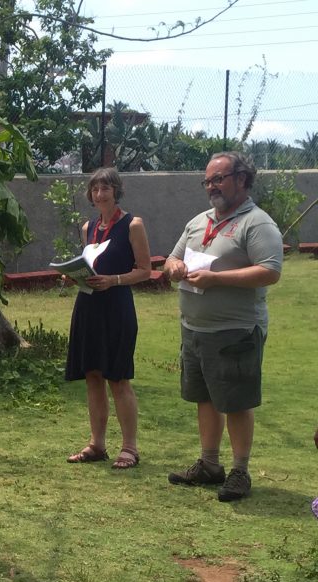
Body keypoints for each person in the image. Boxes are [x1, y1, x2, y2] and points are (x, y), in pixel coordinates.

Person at [163, 151, 282, 502]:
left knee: (236, 401)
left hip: (235, 331)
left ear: (242, 179)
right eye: (208, 180)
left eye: (219, 179)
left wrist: (217, 280)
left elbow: (270, 271)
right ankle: (209, 465)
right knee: (206, 398)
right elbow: (173, 257)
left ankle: (240, 471)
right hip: (195, 328)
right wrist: (172, 268)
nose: (211, 186)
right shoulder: (198, 221)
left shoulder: (257, 223)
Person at [65, 168, 152, 469]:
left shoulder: (133, 224)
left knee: (118, 378)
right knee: (92, 376)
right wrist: (74, 277)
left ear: (116, 191)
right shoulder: (87, 226)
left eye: (106, 188)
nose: (100, 194)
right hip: (88, 307)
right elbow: (90, 264)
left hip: (117, 307)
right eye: (95, 189)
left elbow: (145, 270)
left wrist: (113, 280)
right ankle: (97, 444)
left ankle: (130, 448)